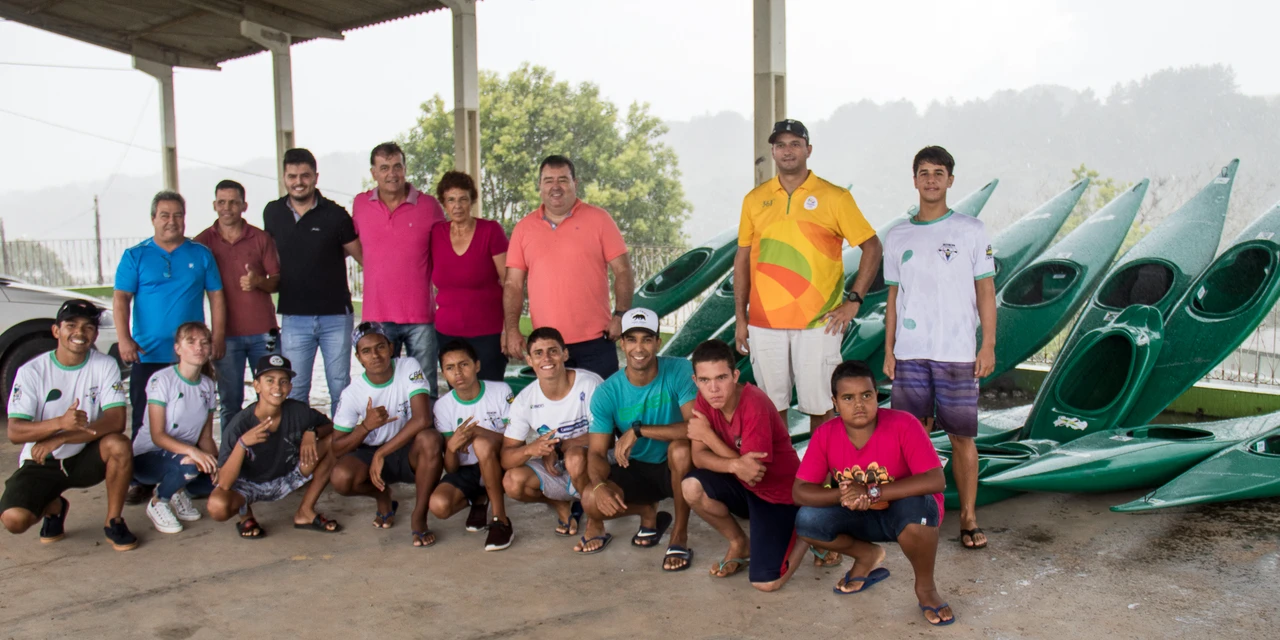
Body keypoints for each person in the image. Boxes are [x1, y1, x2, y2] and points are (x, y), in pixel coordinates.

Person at [734, 120, 881, 432]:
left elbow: (872, 246)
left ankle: (820, 466)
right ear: (772, 151)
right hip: (764, 322)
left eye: (795, 144)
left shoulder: (835, 197)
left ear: (808, 150)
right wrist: (740, 318)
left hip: (819, 323)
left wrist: (854, 301)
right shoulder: (754, 199)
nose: (788, 151)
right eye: (781, 145)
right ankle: (782, 466)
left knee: (821, 407)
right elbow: (743, 258)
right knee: (771, 410)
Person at [883, 145, 996, 551]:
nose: (931, 179)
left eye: (939, 173)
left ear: (950, 180)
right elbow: (893, 298)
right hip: (910, 352)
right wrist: (889, 350)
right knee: (910, 435)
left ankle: (967, 517)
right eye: (924, 172)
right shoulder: (897, 234)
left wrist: (988, 345)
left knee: (962, 437)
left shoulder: (971, 230)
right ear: (914, 179)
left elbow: (986, 291)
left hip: (957, 352)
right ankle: (911, 514)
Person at [794, 360, 953, 626]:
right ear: (835, 403)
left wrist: (872, 491)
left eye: (866, 395)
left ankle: (926, 588)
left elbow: (936, 480)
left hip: (906, 513)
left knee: (918, 510)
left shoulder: (904, 424)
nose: (859, 404)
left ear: (876, 396)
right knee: (807, 520)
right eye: (848, 397)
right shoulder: (825, 434)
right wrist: (843, 495)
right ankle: (866, 555)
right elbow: (800, 492)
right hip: (859, 515)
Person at [0, 300, 138, 551]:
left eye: (88, 327)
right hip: (41, 459)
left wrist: (63, 437)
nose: (80, 332)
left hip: (84, 455)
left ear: (95, 335)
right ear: (56, 331)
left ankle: (113, 521)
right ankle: (54, 506)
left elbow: (116, 421)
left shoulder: (105, 364)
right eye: (71, 325)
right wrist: (59, 424)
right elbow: (15, 431)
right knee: (14, 520)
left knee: (119, 444)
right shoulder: (31, 371)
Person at [681, 339, 811, 591]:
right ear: (695, 381)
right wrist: (734, 465)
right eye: (705, 380)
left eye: (721, 378)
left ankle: (808, 532)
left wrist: (708, 436)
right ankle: (739, 543)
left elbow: (753, 473)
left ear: (735, 375)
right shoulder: (705, 398)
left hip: (778, 496)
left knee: (767, 583)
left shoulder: (754, 404)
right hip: (742, 486)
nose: (713, 388)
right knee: (691, 487)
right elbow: (698, 457)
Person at [578, 308, 696, 571]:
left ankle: (679, 535)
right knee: (590, 501)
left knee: (680, 450)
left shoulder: (679, 369)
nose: (639, 348)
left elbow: (696, 427)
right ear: (622, 344)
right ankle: (646, 511)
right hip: (636, 466)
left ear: (658, 342)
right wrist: (599, 485)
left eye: (647, 339)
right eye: (631, 339)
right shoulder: (607, 392)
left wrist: (639, 430)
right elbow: (596, 453)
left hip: (675, 467)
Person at [502, 155, 633, 381]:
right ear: (540, 185)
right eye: (548, 180)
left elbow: (623, 270)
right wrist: (512, 329)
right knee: (553, 404)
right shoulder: (523, 228)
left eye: (562, 180)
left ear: (575, 183)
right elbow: (513, 284)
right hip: (547, 346)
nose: (556, 187)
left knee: (602, 403)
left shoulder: (600, 219)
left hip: (596, 341)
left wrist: (620, 314)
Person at [263, 148, 363, 415]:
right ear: (284, 178)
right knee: (295, 387)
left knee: (340, 385)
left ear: (316, 177)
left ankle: (342, 438)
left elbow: (363, 257)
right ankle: (299, 439)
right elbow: (268, 256)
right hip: (295, 317)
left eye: (305, 175)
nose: (299, 182)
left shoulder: (336, 214)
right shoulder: (273, 212)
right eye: (292, 176)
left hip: (336, 316)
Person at [328, 322, 442, 547]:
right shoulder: (352, 393)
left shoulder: (408, 366)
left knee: (430, 439)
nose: (375, 355)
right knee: (341, 478)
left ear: (391, 348)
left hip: (408, 449)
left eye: (380, 347)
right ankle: (382, 496)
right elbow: (337, 447)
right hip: (371, 453)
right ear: (359, 358)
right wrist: (365, 427)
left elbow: (423, 419)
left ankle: (419, 516)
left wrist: (382, 453)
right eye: (366, 351)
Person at [208, 354, 342, 538]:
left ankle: (305, 512)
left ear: (290, 387)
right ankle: (246, 516)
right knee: (217, 506)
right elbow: (224, 483)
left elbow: (333, 427)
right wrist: (242, 444)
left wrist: (312, 432)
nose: (277, 387)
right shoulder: (239, 425)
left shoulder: (298, 410)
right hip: (249, 486)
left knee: (336, 440)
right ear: (257, 386)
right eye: (269, 380)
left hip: (289, 475)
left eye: (283, 381)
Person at [352, 143, 446, 392]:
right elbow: (353, 245)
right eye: (384, 168)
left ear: (405, 168)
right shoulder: (361, 204)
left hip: (421, 316)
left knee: (424, 385)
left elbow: (445, 250)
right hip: (378, 318)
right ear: (373, 172)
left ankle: (425, 421)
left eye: (397, 167)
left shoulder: (429, 206)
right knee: (382, 387)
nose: (391, 174)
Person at [500, 327, 603, 538]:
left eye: (553, 351)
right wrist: (532, 449)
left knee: (575, 457)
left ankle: (595, 519)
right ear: (529, 360)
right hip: (560, 467)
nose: (546, 358)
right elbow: (506, 458)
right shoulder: (525, 400)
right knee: (512, 481)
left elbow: (607, 437)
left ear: (565, 354)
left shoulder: (589, 383)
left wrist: (558, 447)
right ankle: (559, 503)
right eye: (538, 353)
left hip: (596, 461)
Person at [194, 179, 281, 427]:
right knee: (230, 402)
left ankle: (271, 448)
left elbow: (277, 281)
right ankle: (231, 450)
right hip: (225, 337)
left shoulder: (260, 238)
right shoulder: (202, 243)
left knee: (272, 397)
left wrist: (258, 281)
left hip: (264, 334)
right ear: (214, 205)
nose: (227, 208)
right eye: (222, 202)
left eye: (233, 202)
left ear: (244, 206)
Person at [428, 340, 516, 551]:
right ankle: (479, 498)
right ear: (443, 373)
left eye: (464, 364)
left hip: (500, 462)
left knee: (481, 444)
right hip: (468, 470)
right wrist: (451, 448)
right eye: (450, 368)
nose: (458, 373)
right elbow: (451, 468)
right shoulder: (443, 406)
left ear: (477, 365)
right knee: (439, 506)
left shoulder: (500, 391)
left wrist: (478, 432)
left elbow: (515, 442)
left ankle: (500, 519)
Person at [132, 322, 219, 534]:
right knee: (189, 465)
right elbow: (158, 435)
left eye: (204, 343)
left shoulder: (208, 385)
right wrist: (193, 452)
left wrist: (219, 466)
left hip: (182, 456)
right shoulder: (162, 379)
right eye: (191, 342)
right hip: (148, 456)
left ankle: (178, 491)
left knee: (223, 479)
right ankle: (159, 501)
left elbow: (206, 437)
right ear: (178, 348)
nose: (199, 348)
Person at [431, 171, 510, 382]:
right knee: (458, 392)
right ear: (444, 204)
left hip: (488, 334)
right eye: (451, 200)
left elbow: (510, 282)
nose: (457, 206)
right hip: (447, 335)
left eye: (463, 199)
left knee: (491, 391)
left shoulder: (490, 231)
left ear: (472, 200)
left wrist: (508, 329)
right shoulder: (436, 234)